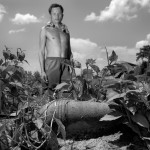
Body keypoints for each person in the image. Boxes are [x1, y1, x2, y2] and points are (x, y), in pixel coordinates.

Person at [39, 3, 72, 95]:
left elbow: (69, 50)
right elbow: (41, 51)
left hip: (66, 63)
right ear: (50, 14)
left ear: (62, 15)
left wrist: (71, 67)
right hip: (52, 63)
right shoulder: (45, 29)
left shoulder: (66, 31)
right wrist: (42, 70)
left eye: (59, 13)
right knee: (50, 92)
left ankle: (63, 109)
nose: (57, 16)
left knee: (67, 91)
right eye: (54, 13)